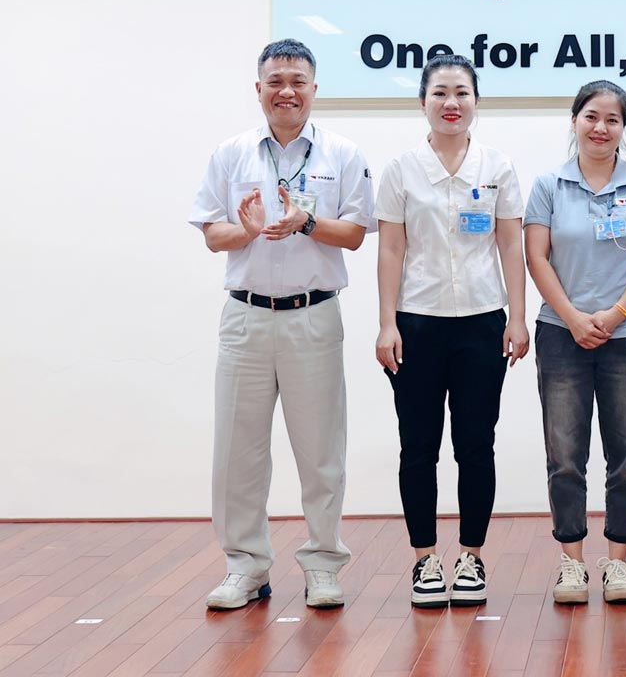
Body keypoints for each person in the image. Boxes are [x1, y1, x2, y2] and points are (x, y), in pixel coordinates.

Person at [189, 39, 375, 610]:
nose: (286, 91)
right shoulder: (231, 153)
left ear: (314, 89)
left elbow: (356, 232)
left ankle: (322, 563)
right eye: (276, 81)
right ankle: (245, 566)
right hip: (245, 317)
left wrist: (306, 221)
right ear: (259, 89)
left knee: (320, 451)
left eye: (297, 80)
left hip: (313, 317)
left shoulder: (341, 154)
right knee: (237, 451)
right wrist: (246, 231)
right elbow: (211, 232)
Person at [374, 54, 528, 608]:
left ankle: (471, 556)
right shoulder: (400, 170)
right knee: (417, 446)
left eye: (461, 92)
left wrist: (517, 315)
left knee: (475, 445)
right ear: (423, 102)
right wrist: (387, 323)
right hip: (417, 322)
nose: (451, 103)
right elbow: (390, 248)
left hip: (483, 322)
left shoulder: (498, 167)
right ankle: (424, 560)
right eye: (440, 92)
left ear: (476, 102)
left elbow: (511, 243)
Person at [524, 80, 626, 604]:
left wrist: (616, 313)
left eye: (612, 119)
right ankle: (572, 564)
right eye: (591, 116)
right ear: (575, 120)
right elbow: (536, 257)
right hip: (562, 335)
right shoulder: (548, 185)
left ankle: (619, 563)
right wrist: (575, 317)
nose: (601, 127)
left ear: (623, 128)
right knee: (564, 454)